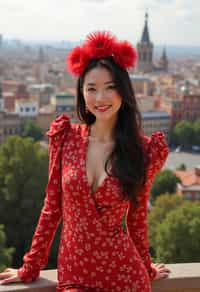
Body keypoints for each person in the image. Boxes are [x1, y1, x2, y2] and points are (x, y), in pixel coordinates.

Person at [0, 31, 170, 291]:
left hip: (126, 275)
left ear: (123, 91)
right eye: (92, 88)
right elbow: (52, 208)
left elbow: (137, 219)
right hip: (75, 274)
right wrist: (30, 267)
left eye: (110, 87)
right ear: (82, 92)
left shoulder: (143, 152)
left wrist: (146, 267)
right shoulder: (66, 139)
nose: (100, 98)